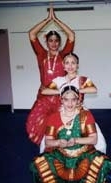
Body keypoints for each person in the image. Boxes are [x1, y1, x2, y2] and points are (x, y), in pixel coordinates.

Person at [30, 85, 111, 183]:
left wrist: (76, 140)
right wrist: (58, 142)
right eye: (66, 99)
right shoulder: (54, 117)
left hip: (83, 154)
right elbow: (48, 141)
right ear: (61, 100)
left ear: (78, 100)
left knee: (102, 163)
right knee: (38, 164)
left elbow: (93, 139)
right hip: (61, 154)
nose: (70, 103)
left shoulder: (86, 115)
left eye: (73, 99)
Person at [26, 6, 75, 146]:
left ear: (59, 42)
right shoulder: (41, 54)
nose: (53, 43)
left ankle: (61, 145)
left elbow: (71, 35)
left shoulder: (64, 54)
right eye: (50, 40)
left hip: (61, 95)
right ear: (46, 42)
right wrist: (47, 20)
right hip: (44, 95)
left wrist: (56, 20)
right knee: (34, 121)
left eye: (56, 40)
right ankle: (46, 145)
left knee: (62, 122)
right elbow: (31, 34)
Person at [41, 52, 107, 154]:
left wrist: (76, 89)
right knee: (49, 141)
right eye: (67, 63)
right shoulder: (59, 80)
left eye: (73, 63)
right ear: (63, 65)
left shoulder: (82, 79)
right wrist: (62, 90)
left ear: (77, 65)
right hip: (63, 110)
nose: (70, 66)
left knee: (99, 143)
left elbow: (94, 89)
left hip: (79, 111)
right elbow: (44, 91)